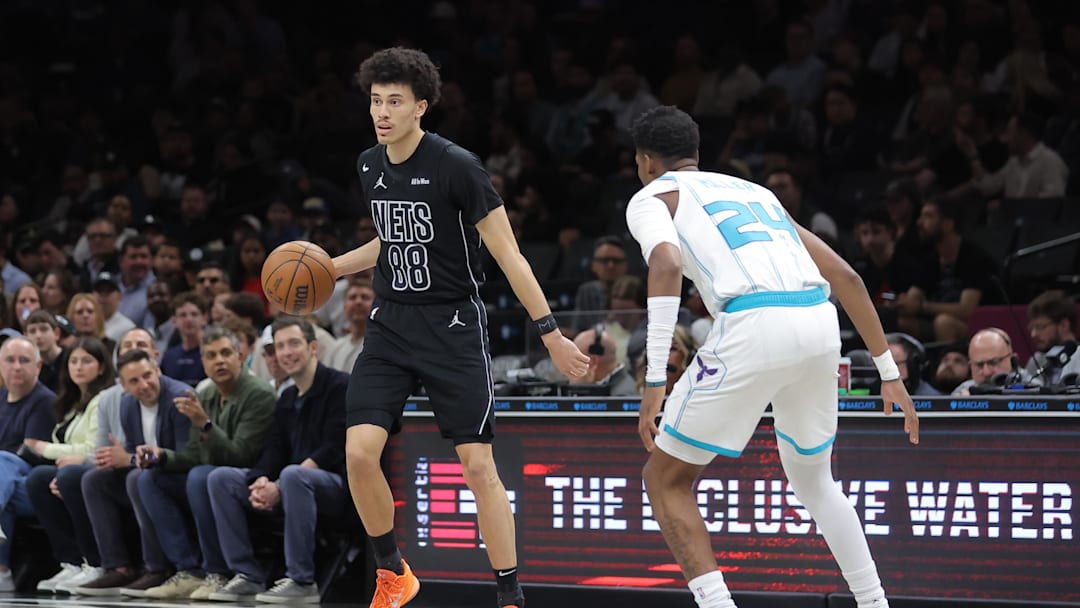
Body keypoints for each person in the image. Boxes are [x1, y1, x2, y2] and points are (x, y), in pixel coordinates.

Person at [625, 105, 918, 608]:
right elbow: (847, 277)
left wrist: (655, 380)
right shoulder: (757, 192)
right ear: (696, 154)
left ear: (645, 161)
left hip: (754, 320)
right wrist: (889, 372)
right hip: (818, 319)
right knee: (816, 482)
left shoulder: (651, 196)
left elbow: (667, 262)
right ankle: (874, 603)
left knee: (665, 478)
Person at [332, 47, 589, 608]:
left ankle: (510, 594)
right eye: (376, 101)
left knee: (477, 466)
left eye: (395, 101)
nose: (382, 112)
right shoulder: (369, 163)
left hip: (452, 325)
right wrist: (332, 267)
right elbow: (391, 239)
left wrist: (550, 333)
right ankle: (392, 573)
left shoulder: (458, 166)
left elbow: (511, 256)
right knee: (357, 454)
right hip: (391, 323)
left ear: (421, 106)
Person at [205, 318, 348, 602]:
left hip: (337, 489)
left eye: (293, 343)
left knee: (295, 475)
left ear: (313, 347)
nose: (286, 352)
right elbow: (274, 450)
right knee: (221, 478)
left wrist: (280, 484)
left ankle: (302, 580)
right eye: (279, 347)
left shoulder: (341, 386)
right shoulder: (287, 397)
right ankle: (247, 574)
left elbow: (334, 448)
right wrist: (260, 480)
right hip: (292, 484)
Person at [24, 337, 116, 593]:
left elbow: (93, 449)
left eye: (86, 361)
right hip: (74, 467)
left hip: (98, 467)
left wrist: (44, 448)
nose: (78, 366)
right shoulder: (71, 403)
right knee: (38, 478)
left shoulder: (103, 400)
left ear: (101, 367)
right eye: (73, 361)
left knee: (68, 477)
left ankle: (95, 563)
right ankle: (71, 562)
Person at [0, 336, 57, 590]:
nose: (16, 366)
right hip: (7, 489)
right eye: (10, 360)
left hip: (36, 486)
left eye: (24, 360)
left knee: (3, 460)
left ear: (38, 366)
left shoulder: (45, 401)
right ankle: (2, 572)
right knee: (5, 495)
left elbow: (29, 454)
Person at [1024, 290, 1080, 386]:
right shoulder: (1037, 360)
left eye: (1041, 327)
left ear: (1064, 325)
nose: (1034, 334)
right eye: (1032, 328)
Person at [952, 328, 1028, 395]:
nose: (986, 372)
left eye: (993, 363)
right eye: (979, 365)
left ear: (1012, 361)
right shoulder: (962, 392)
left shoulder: (1032, 389)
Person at [568, 326, 638, 396]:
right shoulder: (612, 388)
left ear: (593, 362)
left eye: (575, 361)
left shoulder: (620, 396)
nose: (568, 370)